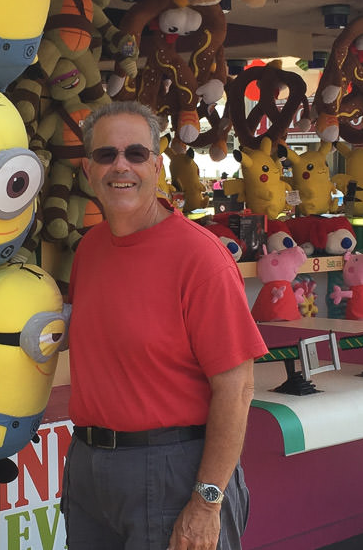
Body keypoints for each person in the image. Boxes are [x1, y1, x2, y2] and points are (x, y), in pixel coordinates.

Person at [62, 101, 268, 550]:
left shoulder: (200, 258)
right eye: (106, 155)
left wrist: (208, 502)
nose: (121, 166)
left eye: (136, 154)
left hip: (175, 471)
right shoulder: (91, 249)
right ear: (87, 168)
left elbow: (237, 388)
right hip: (90, 468)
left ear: (157, 165)